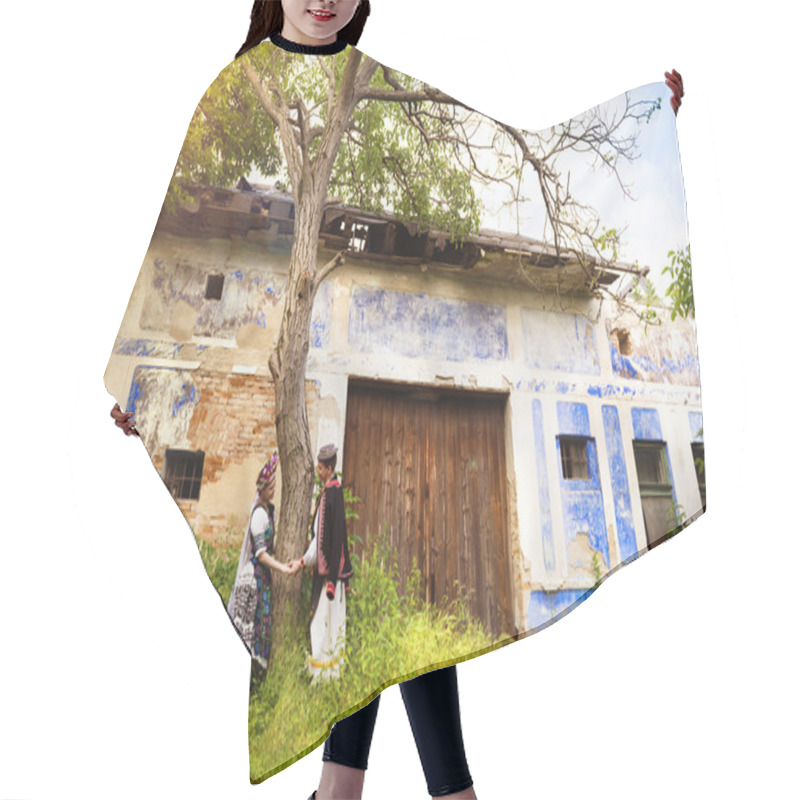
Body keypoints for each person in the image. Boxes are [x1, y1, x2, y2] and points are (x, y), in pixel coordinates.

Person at [109, 2, 687, 796]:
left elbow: (515, 152)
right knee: (365, 628)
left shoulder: (370, 84)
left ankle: (362, 792)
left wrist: (647, 116)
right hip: (290, 364)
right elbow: (175, 233)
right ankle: (419, 792)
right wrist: (135, 390)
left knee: (383, 626)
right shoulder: (238, 86)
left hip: (339, 525)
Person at [288, 444, 353, 681]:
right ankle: (330, 676)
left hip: (328, 578)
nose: (317, 470)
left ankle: (323, 678)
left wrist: (302, 563)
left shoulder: (330, 495)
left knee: (321, 626)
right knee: (331, 626)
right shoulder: (334, 491)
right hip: (334, 573)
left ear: (328, 469)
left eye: (320, 467)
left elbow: (320, 543)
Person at [227, 453, 291, 672]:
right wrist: (282, 568)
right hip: (253, 578)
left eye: (274, 486)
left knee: (262, 623)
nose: (274, 490)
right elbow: (262, 553)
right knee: (253, 625)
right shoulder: (259, 516)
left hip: (262, 576)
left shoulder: (269, 512)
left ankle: (256, 676)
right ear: (262, 490)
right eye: (271, 487)